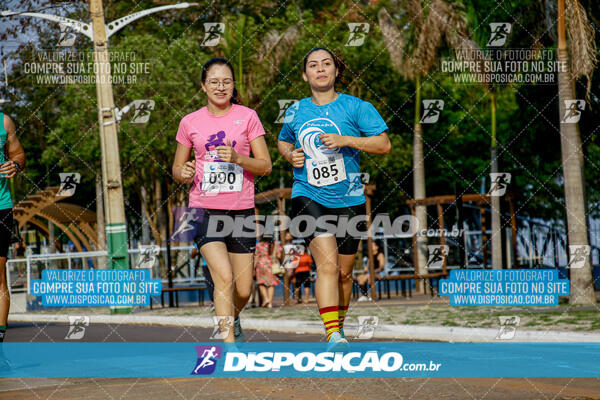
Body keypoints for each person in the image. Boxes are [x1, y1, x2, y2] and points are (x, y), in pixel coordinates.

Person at [277, 48, 390, 349]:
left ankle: (336, 330)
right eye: (313, 65)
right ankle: (333, 335)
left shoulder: (357, 107)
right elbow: (283, 140)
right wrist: (291, 155)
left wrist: (346, 140)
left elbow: (383, 144)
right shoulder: (295, 110)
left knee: (344, 273)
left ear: (336, 71)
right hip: (308, 196)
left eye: (326, 64)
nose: (320, 69)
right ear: (305, 75)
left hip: (349, 199)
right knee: (326, 265)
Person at [172, 58, 272, 345]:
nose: (221, 86)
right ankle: (229, 347)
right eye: (214, 81)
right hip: (203, 210)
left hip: (241, 211)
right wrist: (185, 172)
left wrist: (239, 158)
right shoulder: (189, 122)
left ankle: (233, 317)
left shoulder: (248, 116)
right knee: (223, 277)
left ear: (233, 85)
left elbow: (266, 166)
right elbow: (177, 168)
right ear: (204, 86)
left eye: (226, 81)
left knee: (243, 290)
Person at [0, 113, 25, 365]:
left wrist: (15, 165)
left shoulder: (4, 122)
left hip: (1, 207)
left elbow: (18, 154)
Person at [254, 236, 282, 308]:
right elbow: (279, 256)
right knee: (271, 284)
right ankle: (270, 303)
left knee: (261, 283)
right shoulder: (275, 244)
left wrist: (253, 267)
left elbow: (256, 257)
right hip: (271, 265)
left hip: (261, 264)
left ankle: (266, 299)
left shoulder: (259, 245)